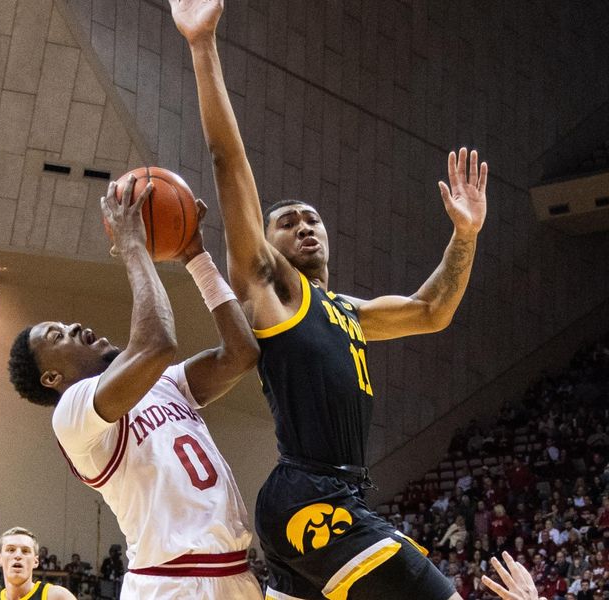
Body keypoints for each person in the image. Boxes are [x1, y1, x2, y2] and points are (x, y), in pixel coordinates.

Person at [169, 1, 488, 598]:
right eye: (287, 222)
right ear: (264, 247)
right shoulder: (274, 290)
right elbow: (228, 162)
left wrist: (464, 235)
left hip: (335, 495)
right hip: (307, 496)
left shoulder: (351, 313)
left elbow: (432, 310)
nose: (305, 225)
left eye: (312, 218)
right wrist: (202, 44)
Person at [7, 176, 262, 599]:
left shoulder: (163, 382)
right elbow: (158, 343)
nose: (73, 326)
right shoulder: (72, 415)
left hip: (235, 575)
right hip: (171, 584)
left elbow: (240, 354)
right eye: (57, 337)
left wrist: (196, 256)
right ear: (51, 378)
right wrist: (132, 246)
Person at [0, 528, 73, 600]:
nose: (18, 555)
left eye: (25, 551)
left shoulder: (57, 596)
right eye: (11, 550)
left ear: (36, 561)